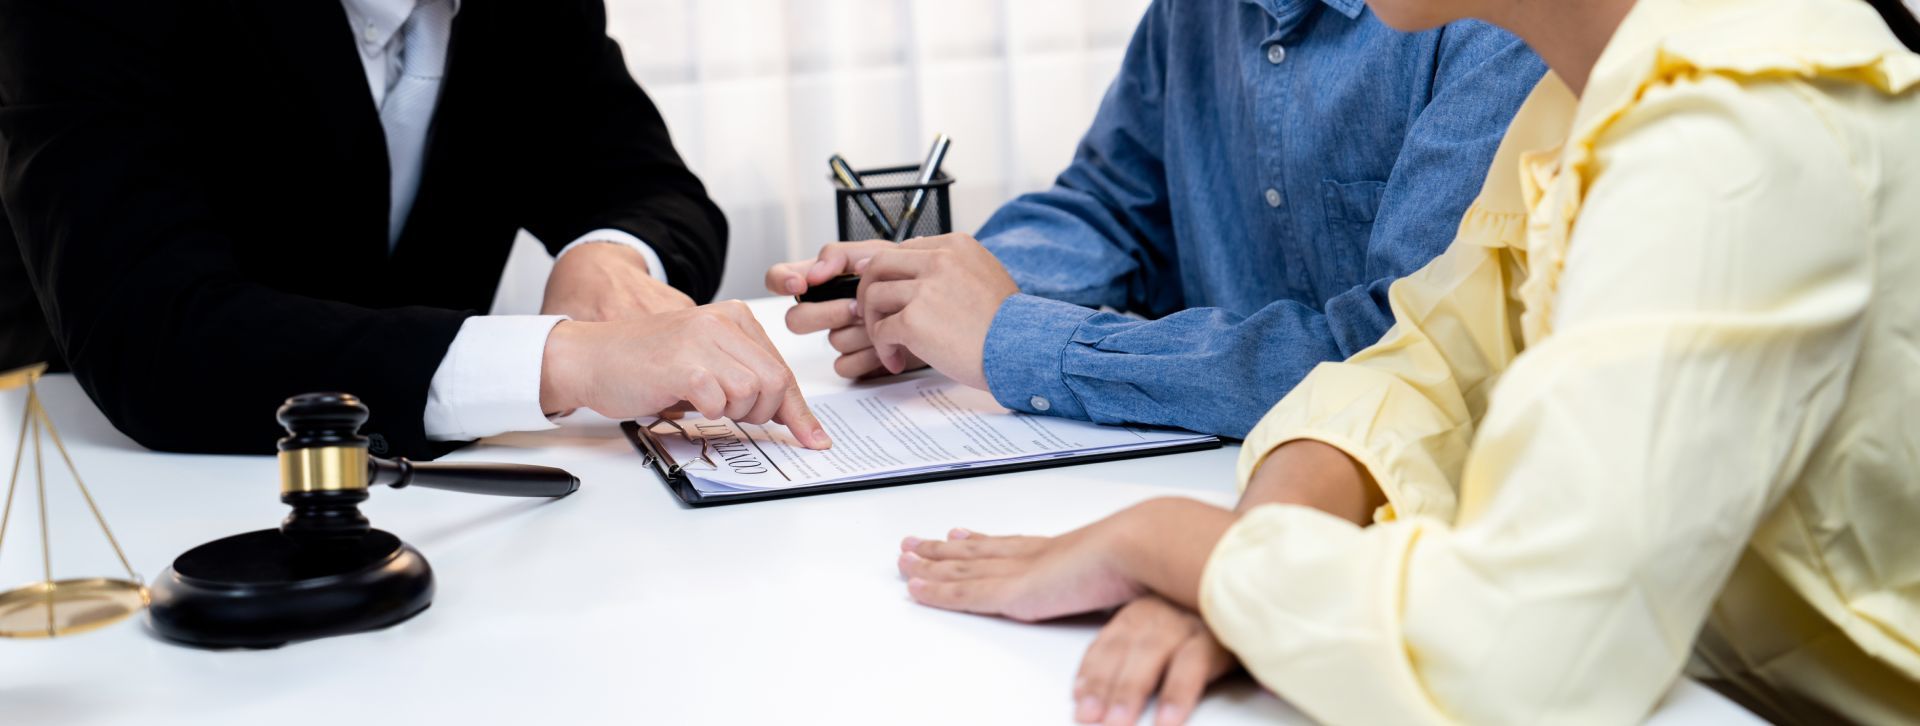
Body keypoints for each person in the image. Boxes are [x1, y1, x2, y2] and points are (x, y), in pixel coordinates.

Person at [891, 0, 1920, 723]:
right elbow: (1419, 364)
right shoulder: (1587, 98)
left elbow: (1526, 657)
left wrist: (1172, 544)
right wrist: (1250, 553)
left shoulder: (1726, 137)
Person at [0, 0, 831, 458]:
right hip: (92, 464)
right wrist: (566, 358)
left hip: (432, 498)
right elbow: (153, 336)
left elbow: (647, 183)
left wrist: (607, 255)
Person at [768, 0, 1545, 439]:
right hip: (1206, 473)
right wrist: (933, 296)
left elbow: (1395, 351)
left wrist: (1014, 338)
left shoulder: (1503, 24)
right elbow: (1115, 209)